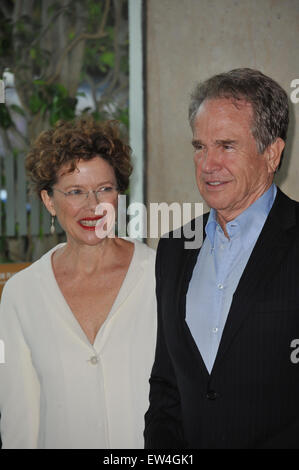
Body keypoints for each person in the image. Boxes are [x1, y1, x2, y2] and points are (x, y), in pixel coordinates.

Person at [144, 68, 299, 449]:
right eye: (200, 146)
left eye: (226, 146)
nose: (207, 164)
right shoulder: (174, 249)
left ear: (272, 154)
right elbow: (167, 385)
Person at [0, 118, 157, 449]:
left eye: (105, 188)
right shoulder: (21, 293)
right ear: (49, 201)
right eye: (75, 191)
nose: (92, 205)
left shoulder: (161, 276)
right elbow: (19, 419)